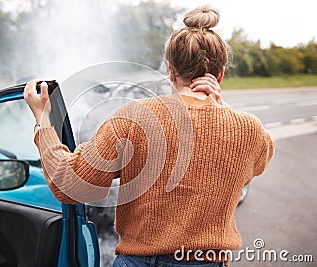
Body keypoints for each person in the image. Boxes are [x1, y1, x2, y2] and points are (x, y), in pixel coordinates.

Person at [24, 5, 274, 267]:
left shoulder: (134, 117)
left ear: (170, 70)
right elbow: (260, 159)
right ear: (220, 74)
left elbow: (70, 183)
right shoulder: (250, 129)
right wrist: (220, 107)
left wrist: (43, 122)